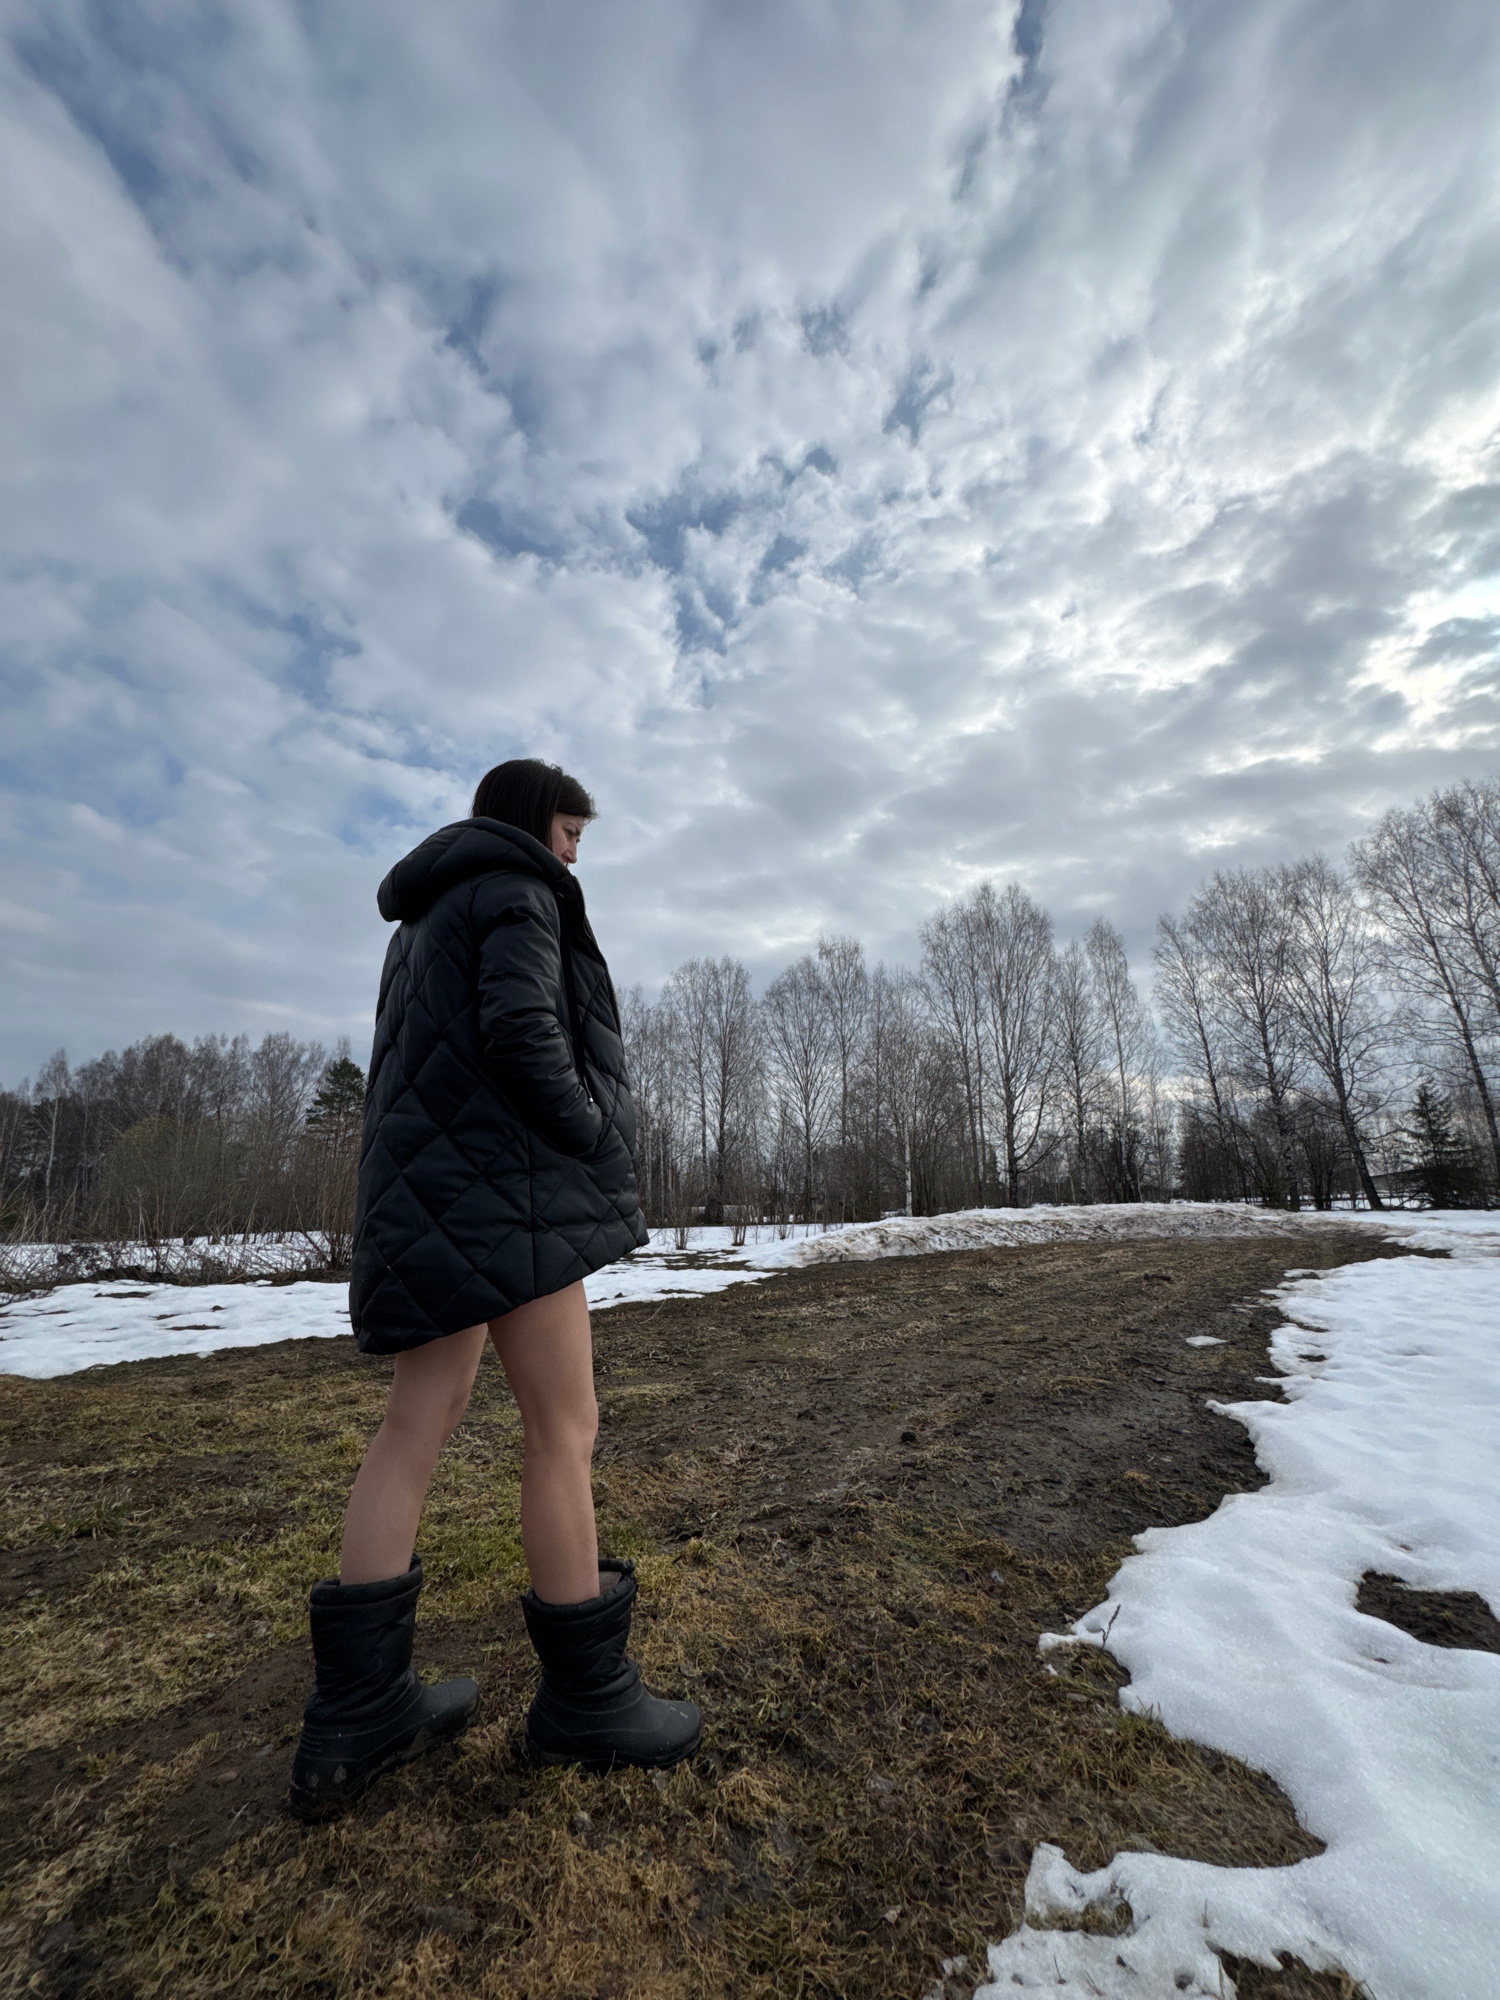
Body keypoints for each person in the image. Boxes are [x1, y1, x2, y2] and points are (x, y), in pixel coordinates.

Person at [288, 759, 702, 1821]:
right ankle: (588, 1703)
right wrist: (589, 1129)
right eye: (569, 831)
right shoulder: (518, 889)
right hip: (509, 1200)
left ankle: (358, 1715)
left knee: (414, 1425)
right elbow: (522, 1031)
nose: (574, 854)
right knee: (565, 1426)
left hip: (431, 1200)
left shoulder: (420, 919)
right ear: (529, 822)